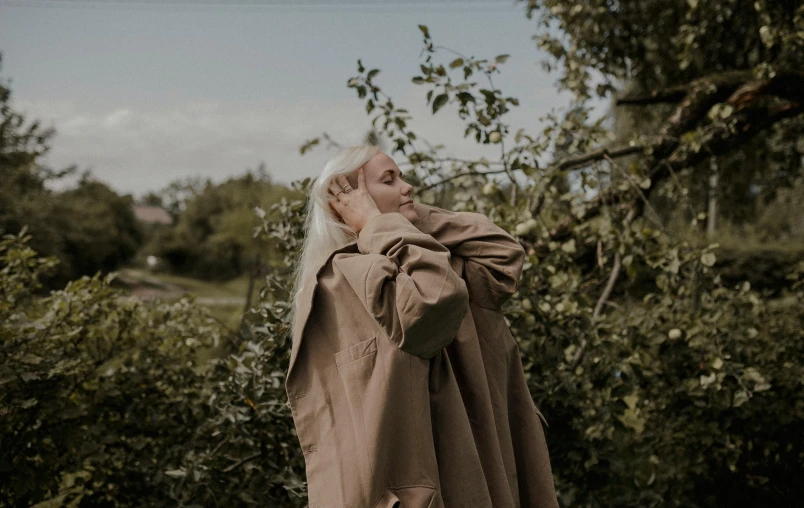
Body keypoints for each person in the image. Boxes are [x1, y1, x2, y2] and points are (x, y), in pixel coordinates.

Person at [285, 145, 558, 508]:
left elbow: (502, 254)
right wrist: (380, 222)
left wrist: (386, 220)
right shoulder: (347, 277)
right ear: (351, 198)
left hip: (476, 467)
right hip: (421, 489)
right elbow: (433, 301)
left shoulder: (436, 262)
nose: (408, 186)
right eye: (390, 179)